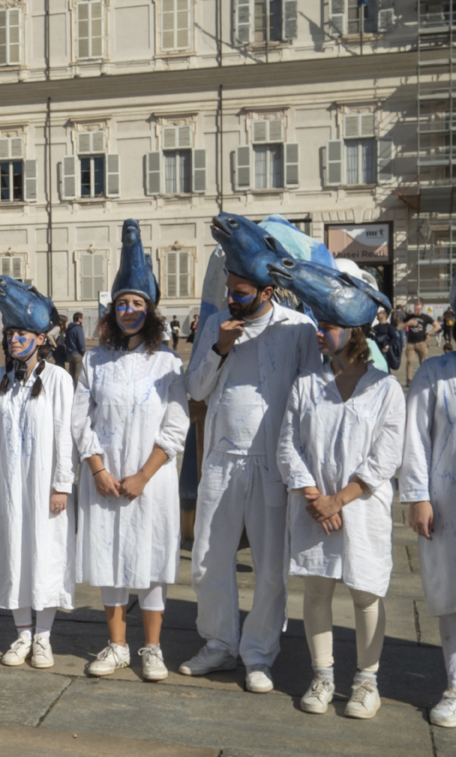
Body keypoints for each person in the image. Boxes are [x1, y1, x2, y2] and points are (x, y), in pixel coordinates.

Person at [182, 252, 319, 692]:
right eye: (229, 291)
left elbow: (312, 396)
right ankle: (220, 643)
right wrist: (220, 348)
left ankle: (258, 654)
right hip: (221, 461)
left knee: (271, 568)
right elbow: (196, 389)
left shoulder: (297, 328)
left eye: (240, 293)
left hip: (272, 463)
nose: (231, 299)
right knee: (208, 558)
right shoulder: (215, 326)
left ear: (266, 291)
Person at [277, 292, 404, 720]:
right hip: (314, 506)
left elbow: (385, 457)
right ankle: (323, 675)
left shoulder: (386, 389)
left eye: (329, 325)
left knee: (366, 593)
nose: (320, 332)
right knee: (317, 589)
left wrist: (339, 501)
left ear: (354, 332)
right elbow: (288, 445)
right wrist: (315, 497)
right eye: (320, 323)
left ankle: (367, 681)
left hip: (363, 507)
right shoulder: (306, 384)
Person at [74, 234, 189, 683]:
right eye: (121, 304)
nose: (128, 311)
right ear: (111, 310)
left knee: (151, 559)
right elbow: (80, 419)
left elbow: (176, 426)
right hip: (105, 477)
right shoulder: (94, 361)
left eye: (137, 303)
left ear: (151, 311)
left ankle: (153, 648)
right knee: (111, 558)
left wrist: (143, 474)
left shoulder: (167, 364)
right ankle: (117, 645)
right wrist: (98, 468)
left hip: (151, 479)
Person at [0, 285, 75, 672]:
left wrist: (62, 484)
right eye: (11, 334)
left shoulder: (59, 380)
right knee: (12, 553)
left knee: (45, 555)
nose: (15, 340)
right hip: (7, 485)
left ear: (40, 339)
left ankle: (45, 637)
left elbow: (65, 433)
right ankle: (22, 634)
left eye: (23, 334)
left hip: (44, 485)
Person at [402, 280, 456, 727]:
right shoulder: (434, 374)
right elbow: (415, 441)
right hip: (447, 504)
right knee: (451, 595)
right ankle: (455, 684)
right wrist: (417, 496)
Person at [402, 301, 440, 385]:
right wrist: (408, 323)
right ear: (414, 308)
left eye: (419, 309)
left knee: (423, 362)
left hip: (421, 343)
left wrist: (429, 333)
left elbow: (438, 326)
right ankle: (409, 380)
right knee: (409, 362)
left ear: (422, 309)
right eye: (416, 309)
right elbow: (400, 326)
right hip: (410, 343)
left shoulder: (426, 317)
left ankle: (424, 379)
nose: (417, 311)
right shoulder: (409, 317)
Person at [65, 312, 86, 384]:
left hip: (69, 353)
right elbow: (81, 342)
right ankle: (76, 391)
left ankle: (70, 388)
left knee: (71, 373)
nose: (83, 320)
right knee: (78, 374)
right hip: (77, 354)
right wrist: (83, 352)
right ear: (79, 319)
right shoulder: (78, 329)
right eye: (82, 318)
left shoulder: (68, 329)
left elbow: (66, 341)